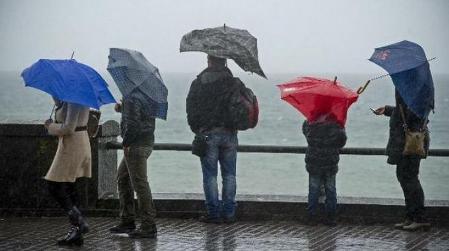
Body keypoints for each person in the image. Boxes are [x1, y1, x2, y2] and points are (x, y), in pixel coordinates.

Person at [186, 55, 240, 224]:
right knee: (230, 174)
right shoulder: (234, 82)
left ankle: (213, 213)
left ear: (209, 60)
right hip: (230, 133)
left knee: (210, 176)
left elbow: (191, 108)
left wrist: (197, 129)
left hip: (208, 133)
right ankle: (229, 213)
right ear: (224, 61)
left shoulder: (199, 83)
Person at [374, 91, 431, 231]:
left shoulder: (414, 92)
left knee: (410, 179)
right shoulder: (410, 91)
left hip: (409, 143)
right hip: (403, 144)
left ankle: (420, 218)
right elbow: (404, 113)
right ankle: (411, 216)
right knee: (404, 178)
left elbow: (411, 115)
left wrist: (395, 111)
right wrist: (388, 110)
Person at [109, 90, 158, 238]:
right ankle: (127, 220)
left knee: (140, 184)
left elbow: (133, 123)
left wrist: (126, 142)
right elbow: (142, 117)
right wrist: (123, 108)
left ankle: (148, 225)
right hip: (146, 142)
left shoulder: (131, 97)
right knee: (123, 178)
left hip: (135, 145)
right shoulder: (148, 94)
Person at [44, 98, 91, 246]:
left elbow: (69, 127)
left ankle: (78, 221)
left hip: (72, 145)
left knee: (54, 185)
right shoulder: (72, 97)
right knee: (70, 187)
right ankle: (76, 232)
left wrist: (50, 126)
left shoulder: (74, 100)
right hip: (78, 143)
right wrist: (58, 103)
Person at [302, 114, 347, 226]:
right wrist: (341, 127)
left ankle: (312, 217)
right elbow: (342, 142)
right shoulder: (336, 123)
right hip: (330, 162)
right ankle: (331, 217)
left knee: (314, 190)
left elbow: (306, 132)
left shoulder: (311, 121)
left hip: (314, 162)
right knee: (331, 190)